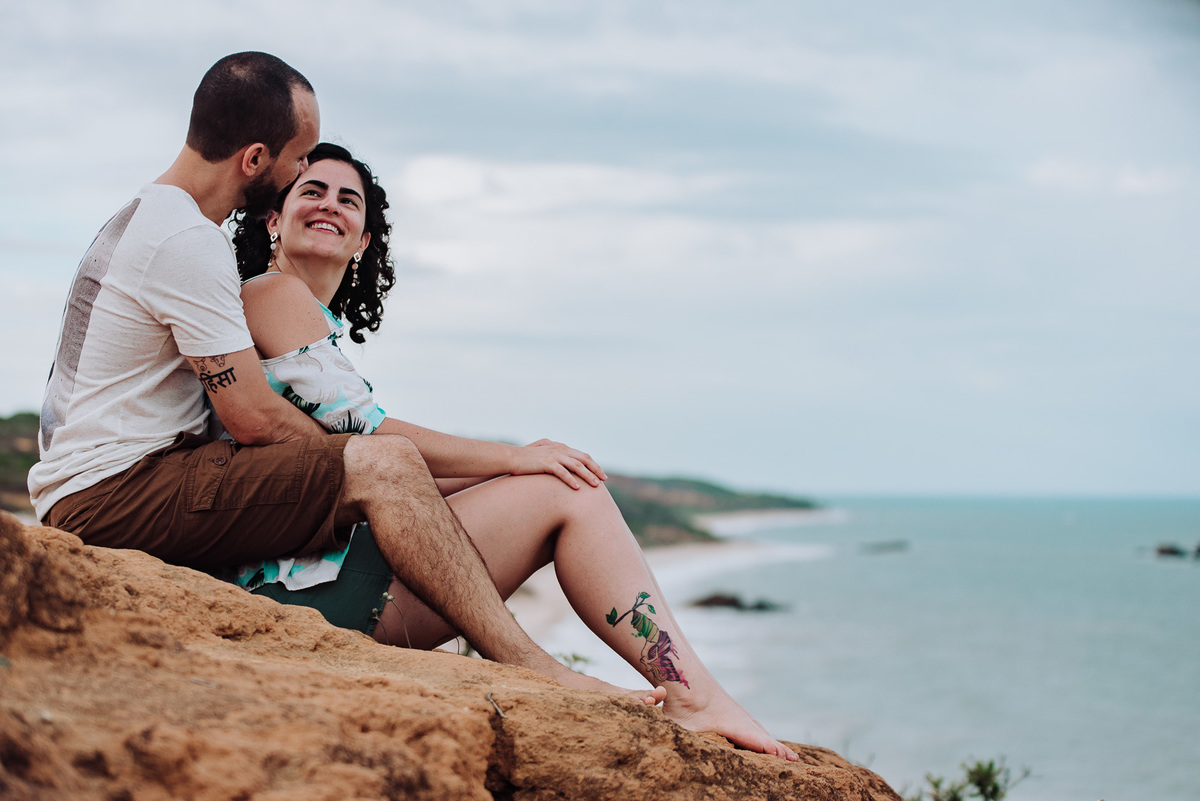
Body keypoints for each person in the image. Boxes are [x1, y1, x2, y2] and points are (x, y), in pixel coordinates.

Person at [27, 51, 662, 710]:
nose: (305, 171)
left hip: (119, 480)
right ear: (253, 160)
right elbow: (252, 416)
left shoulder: (150, 218)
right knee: (380, 465)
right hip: (113, 492)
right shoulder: (187, 241)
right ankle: (538, 667)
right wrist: (356, 465)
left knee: (378, 464)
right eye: (298, 160)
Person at [227, 142, 798, 760]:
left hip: (326, 574)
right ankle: (694, 695)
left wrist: (503, 475)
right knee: (565, 489)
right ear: (271, 220)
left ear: (363, 241)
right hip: (307, 589)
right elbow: (372, 436)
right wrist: (512, 458)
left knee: (557, 485)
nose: (330, 205)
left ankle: (693, 693)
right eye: (311, 191)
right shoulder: (269, 295)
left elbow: (378, 469)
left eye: (349, 199)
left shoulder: (304, 317)